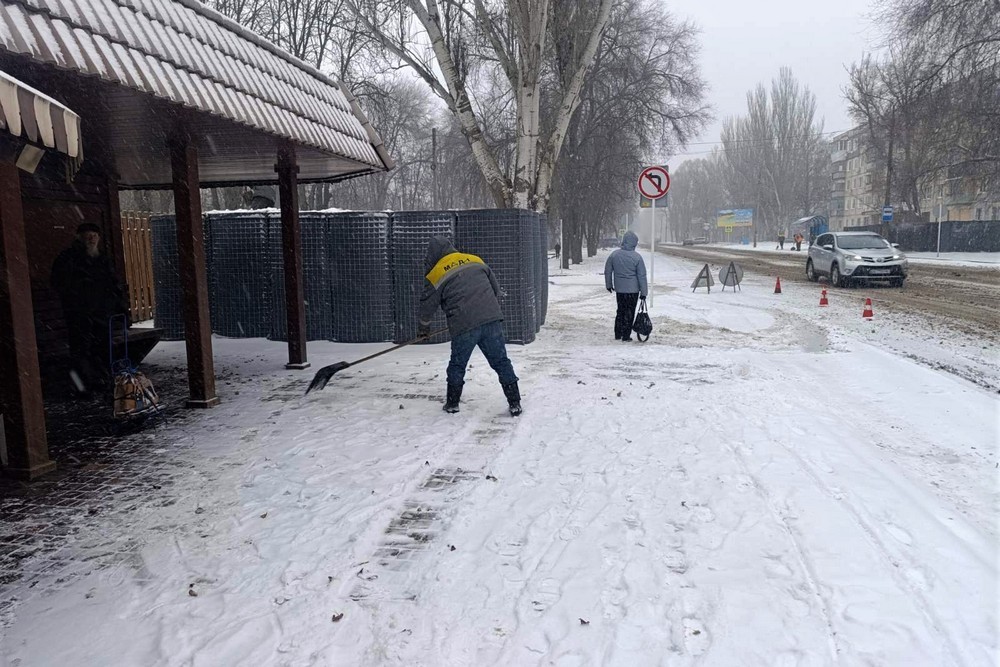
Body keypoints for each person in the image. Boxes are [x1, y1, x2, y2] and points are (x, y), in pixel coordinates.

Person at [418, 236, 521, 416]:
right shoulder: (475, 260)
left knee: (457, 365)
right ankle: (515, 402)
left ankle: (452, 403)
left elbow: (427, 306)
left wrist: (423, 329)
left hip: (464, 324)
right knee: (501, 361)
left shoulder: (436, 273)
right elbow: (496, 290)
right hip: (491, 320)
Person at [51, 222, 130, 395]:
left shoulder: (102, 259)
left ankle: (102, 382)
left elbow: (114, 285)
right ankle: (82, 387)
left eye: (94, 235)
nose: (92, 238)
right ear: (79, 237)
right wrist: (77, 297)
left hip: (102, 314)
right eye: (88, 236)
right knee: (81, 351)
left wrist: (122, 309)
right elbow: (59, 283)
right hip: (79, 315)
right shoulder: (68, 259)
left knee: (102, 348)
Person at [604, 230, 647, 342]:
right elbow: (642, 276)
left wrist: (609, 285)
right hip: (633, 290)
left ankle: (618, 333)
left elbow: (608, 270)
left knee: (620, 311)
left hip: (620, 290)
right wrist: (644, 293)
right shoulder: (637, 257)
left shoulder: (614, 255)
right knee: (630, 312)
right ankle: (626, 335)